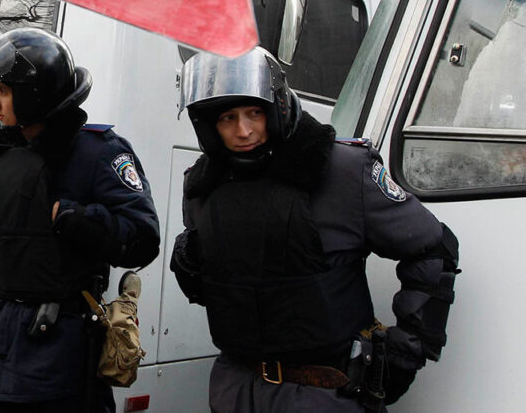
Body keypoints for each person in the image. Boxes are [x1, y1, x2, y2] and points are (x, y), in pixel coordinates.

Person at [170, 47, 459, 412]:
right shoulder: (203, 186)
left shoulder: (343, 170)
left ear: (277, 108)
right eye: (228, 118)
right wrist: (190, 258)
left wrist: (407, 351)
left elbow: (432, 249)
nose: (243, 130)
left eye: (254, 113)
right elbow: (208, 287)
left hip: (326, 391)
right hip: (236, 388)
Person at [0, 27, 161, 412]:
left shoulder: (98, 152)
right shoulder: (3, 152)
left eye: (2, 90)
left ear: (34, 93)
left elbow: (143, 239)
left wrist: (80, 220)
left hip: (61, 355)